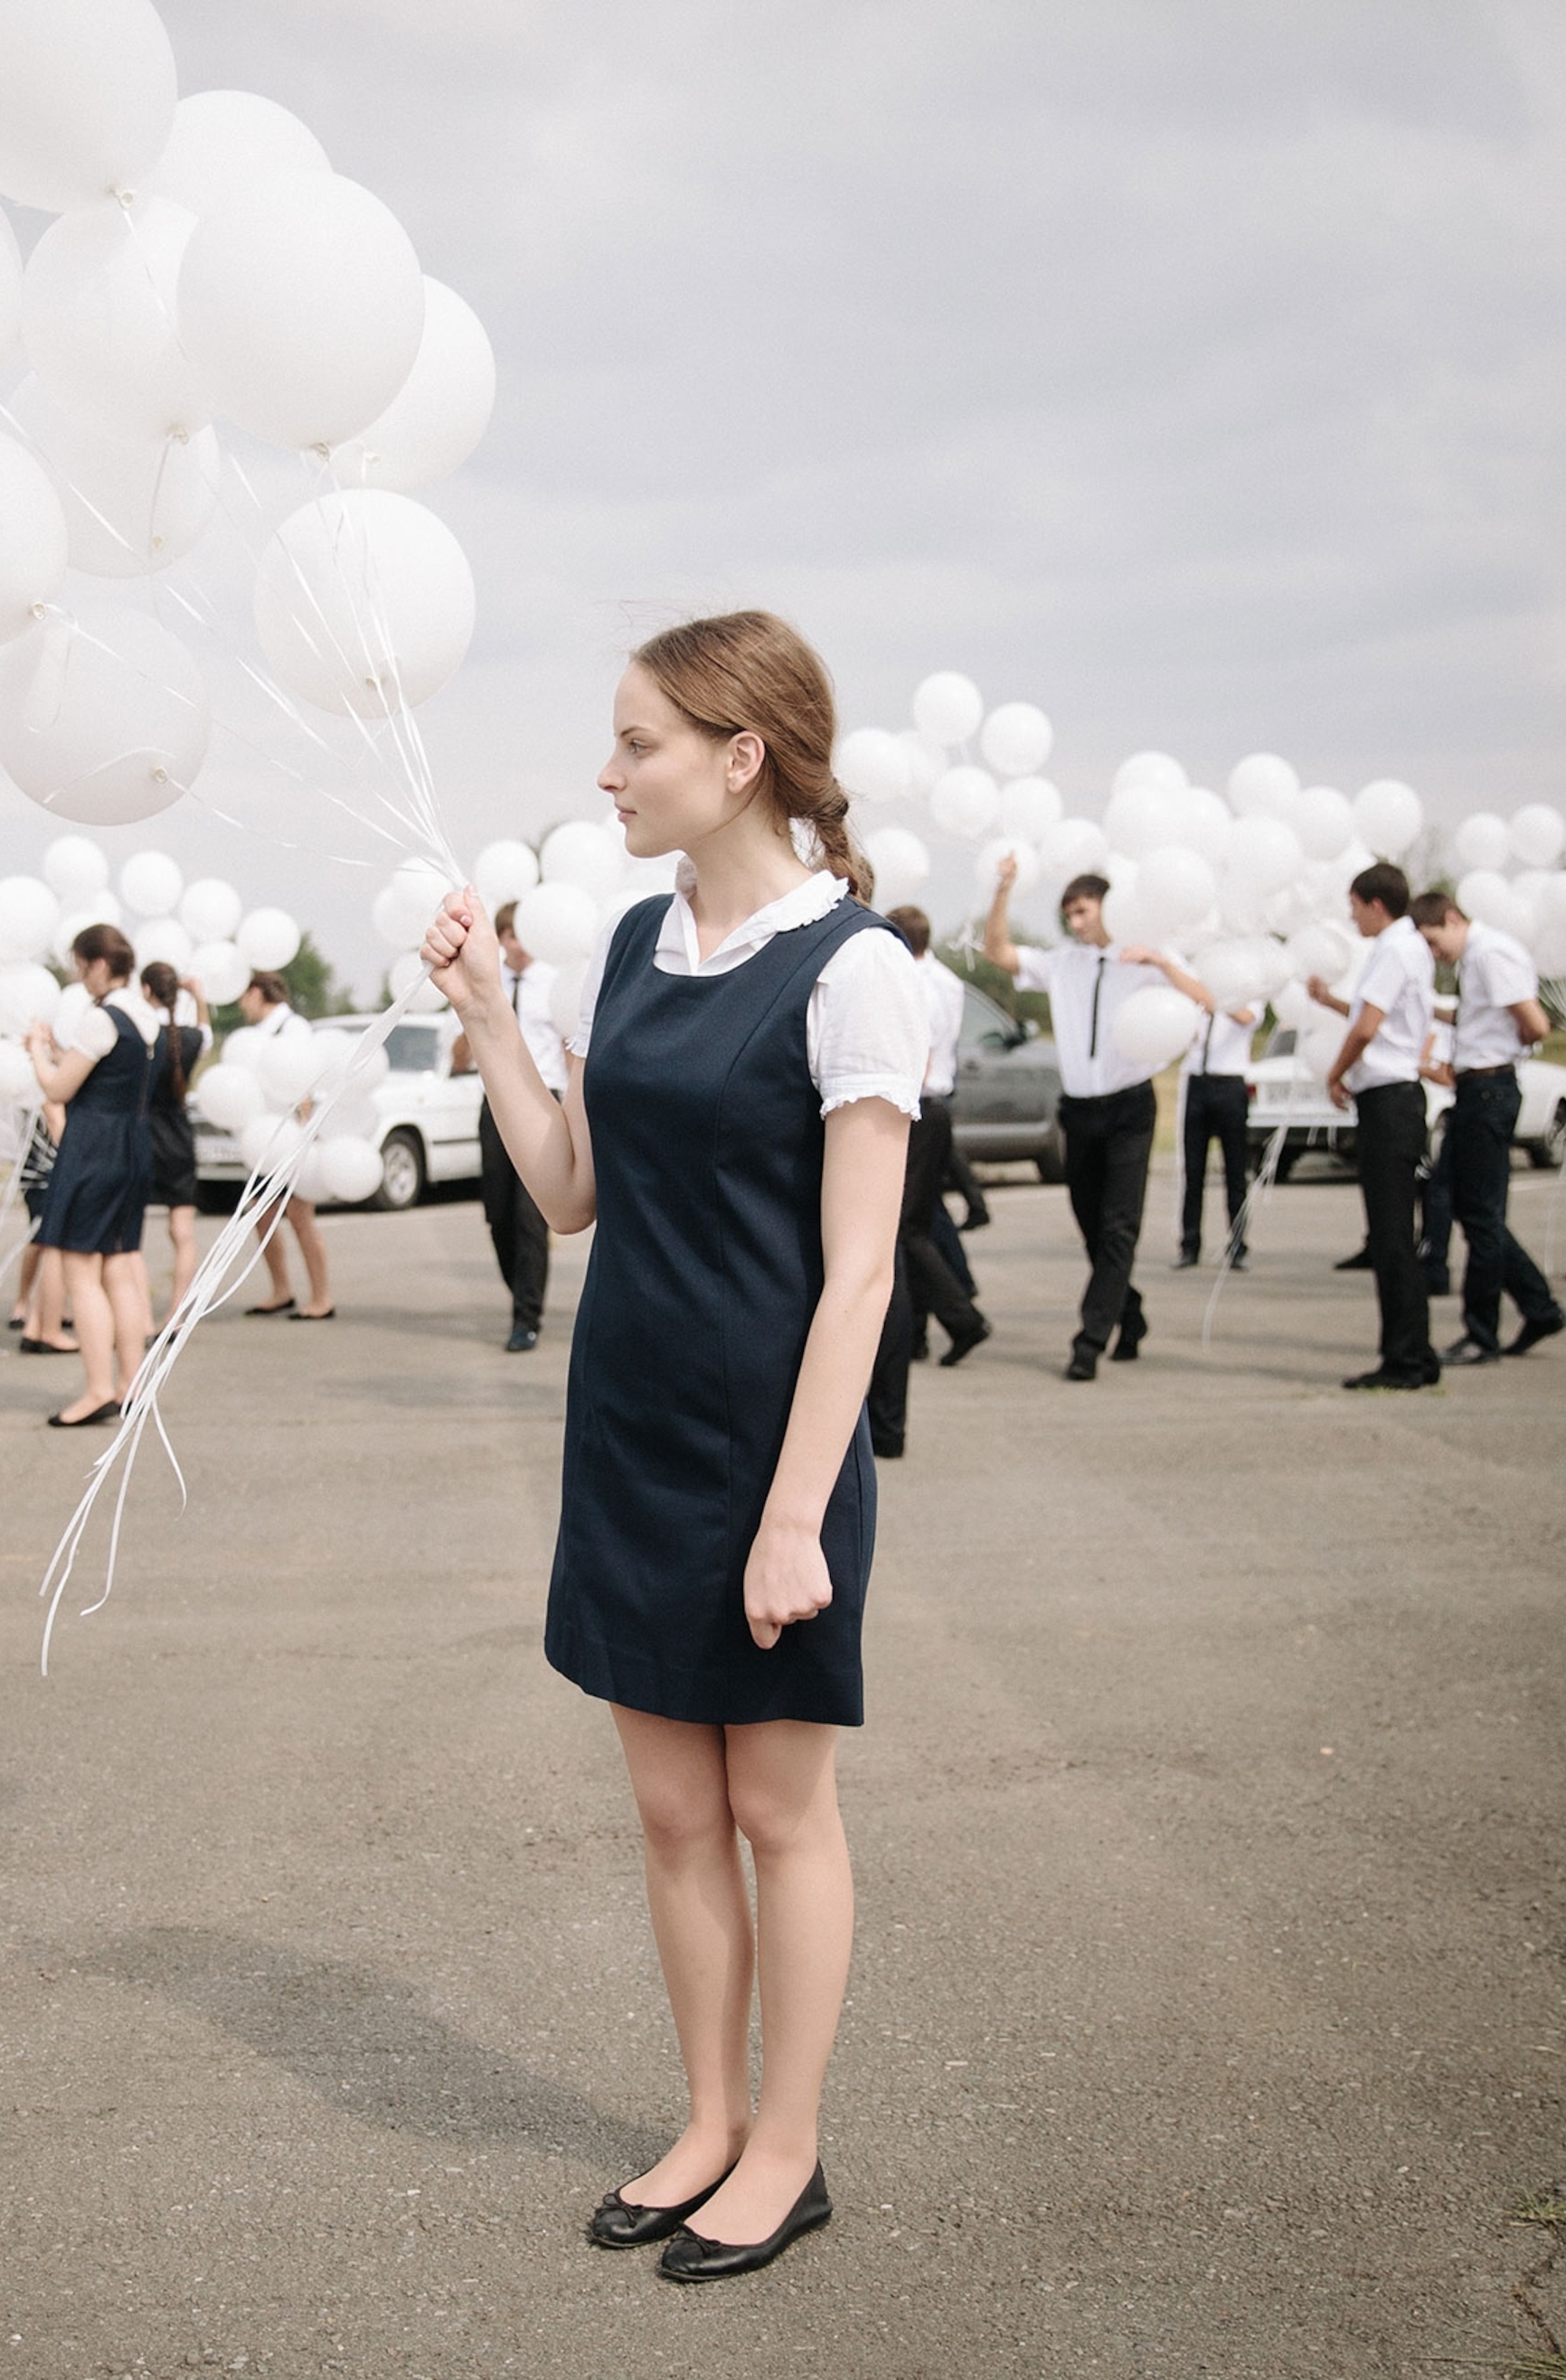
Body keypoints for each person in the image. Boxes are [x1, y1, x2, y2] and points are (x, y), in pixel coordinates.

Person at [427, 612, 926, 2283]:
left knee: (778, 1809)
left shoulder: (853, 967)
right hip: (629, 1431)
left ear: (741, 756)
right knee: (667, 1809)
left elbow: (862, 1274)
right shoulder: (627, 942)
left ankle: (787, 2145)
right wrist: (492, 1018)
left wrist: (794, 1518)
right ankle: (707, 2119)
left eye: (636, 741)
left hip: (772, 1452)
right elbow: (570, 1193)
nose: (607, 771)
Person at [979, 858, 1212, 1379]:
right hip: (1079, 1111)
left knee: (1118, 1228)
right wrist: (1003, 890)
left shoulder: (1148, 957)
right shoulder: (1064, 962)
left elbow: (1205, 999)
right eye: (1069, 914)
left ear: (1109, 907)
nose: (1076, 922)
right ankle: (1130, 1314)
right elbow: (998, 952)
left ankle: (1088, 1342)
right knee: (1091, 1229)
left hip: (1130, 1106)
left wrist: (1160, 961)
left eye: (1083, 911)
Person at [1411, 892, 1566, 1361]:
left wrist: (1507, 1049)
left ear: (1452, 919)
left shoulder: (1490, 953)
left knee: (1480, 1214)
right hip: (1475, 1088)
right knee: (1466, 1205)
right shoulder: (1475, 958)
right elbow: (1477, 1016)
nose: (1435, 953)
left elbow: (1535, 1024)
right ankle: (1538, 1306)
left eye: (1434, 941)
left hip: (1489, 1088)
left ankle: (1483, 1333)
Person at [1303, 862, 1439, 1390]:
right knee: (1394, 1234)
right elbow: (1377, 1018)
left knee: (1391, 1237)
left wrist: (1336, 1073)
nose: (1352, 917)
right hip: (1394, 1095)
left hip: (1389, 1100)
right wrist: (1330, 1002)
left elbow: (1367, 1028)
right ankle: (1416, 1350)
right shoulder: (1406, 948)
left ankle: (1404, 1357)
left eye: (1355, 906)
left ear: (1376, 905)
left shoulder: (1393, 949)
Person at [24, 924, 158, 1427]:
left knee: (81, 1270)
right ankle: (132, 1382)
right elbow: (104, 1072)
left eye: (82, 968)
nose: (81, 979)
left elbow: (57, 1090)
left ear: (100, 964)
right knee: (120, 1265)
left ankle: (99, 1387)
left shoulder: (101, 1018)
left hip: (94, 1149)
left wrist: (37, 1051)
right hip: (133, 1145)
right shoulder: (144, 1015)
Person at [867, 907, 986, 1454]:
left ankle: (961, 1317)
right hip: (936, 1105)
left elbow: (915, 1050)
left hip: (913, 1105)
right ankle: (947, 1322)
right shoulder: (945, 981)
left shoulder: (907, 981)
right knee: (912, 1230)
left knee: (900, 1236)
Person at [469, 902, 564, 1352]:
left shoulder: (555, 983)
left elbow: (570, 1046)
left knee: (531, 1217)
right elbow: (459, 1053)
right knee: (499, 1214)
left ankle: (526, 1318)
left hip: (544, 1100)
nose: (518, 944)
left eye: (524, 934)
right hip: (494, 1102)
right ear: (502, 939)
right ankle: (521, 1291)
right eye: (510, 935)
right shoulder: (486, 983)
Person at [231, 971, 335, 1320]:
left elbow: (306, 1079)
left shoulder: (293, 1027)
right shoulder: (256, 1034)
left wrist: (304, 1133)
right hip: (264, 1138)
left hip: (291, 1137)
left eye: (244, 996)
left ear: (257, 993)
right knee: (260, 1215)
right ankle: (281, 1289)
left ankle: (322, 1297)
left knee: (300, 1216)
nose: (241, 1004)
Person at [139, 960, 209, 1318]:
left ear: (146, 990)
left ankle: (138, 1313)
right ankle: (176, 1313)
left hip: (142, 1137)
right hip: (179, 1140)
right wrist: (199, 997)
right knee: (183, 1232)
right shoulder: (191, 1040)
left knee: (129, 1235)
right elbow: (206, 1033)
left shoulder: (139, 1036)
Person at [1174, 977, 1260, 1270]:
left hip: (1230, 1082)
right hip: (1197, 1080)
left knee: (1235, 1171)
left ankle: (1237, 1245)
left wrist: (1218, 1000)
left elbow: (1247, 1017)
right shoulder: (1200, 990)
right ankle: (1189, 1244)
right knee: (1193, 1171)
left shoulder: (1249, 989)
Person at [9, 1100, 75, 1353]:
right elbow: (55, 1116)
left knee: (58, 1242)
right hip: (44, 1168)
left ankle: (47, 1315)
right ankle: (23, 1302)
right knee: (43, 1240)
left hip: (65, 1161)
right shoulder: (48, 1086)